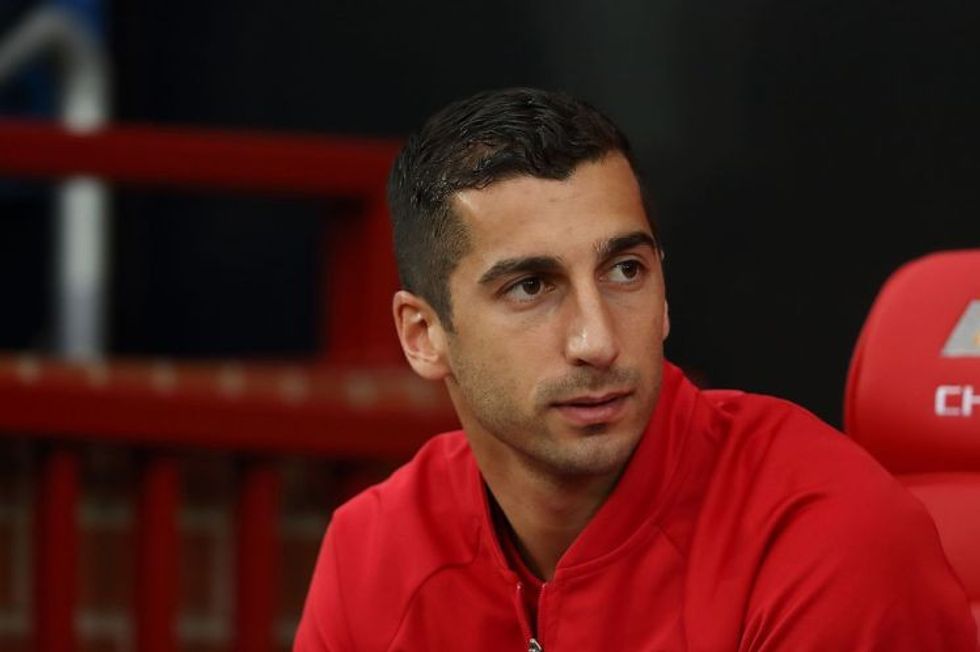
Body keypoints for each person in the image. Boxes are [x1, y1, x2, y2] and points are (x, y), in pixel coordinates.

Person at [294, 88, 975, 651]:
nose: (597, 339)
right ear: (423, 335)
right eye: (532, 287)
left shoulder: (826, 539)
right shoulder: (374, 552)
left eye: (625, 271)